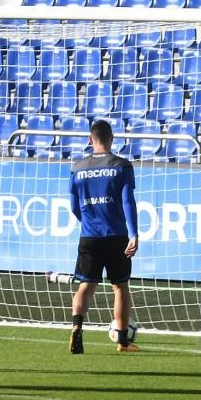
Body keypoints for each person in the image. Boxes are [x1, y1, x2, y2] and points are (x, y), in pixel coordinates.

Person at [59, 119, 139, 354]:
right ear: (112, 139)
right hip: (116, 236)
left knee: (86, 285)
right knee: (120, 287)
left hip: (89, 236)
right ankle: (123, 342)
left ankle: (76, 327)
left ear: (90, 140)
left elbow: (73, 205)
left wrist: (88, 222)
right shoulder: (121, 165)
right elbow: (127, 202)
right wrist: (133, 234)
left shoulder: (78, 167)